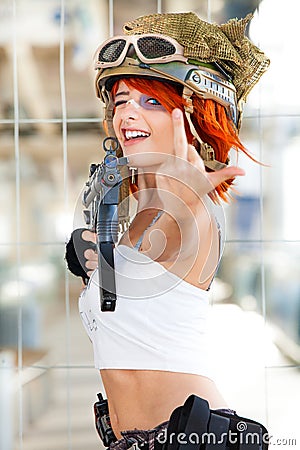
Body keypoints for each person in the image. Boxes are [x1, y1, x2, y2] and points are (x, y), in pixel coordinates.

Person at [67, 10, 270, 449]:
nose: (127, 114)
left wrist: (187, 191)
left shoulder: (193, 206)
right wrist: (95, 266)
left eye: (151, 101)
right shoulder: (145, 211)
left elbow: (184, 228)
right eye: (120, 101)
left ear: (193, 115)